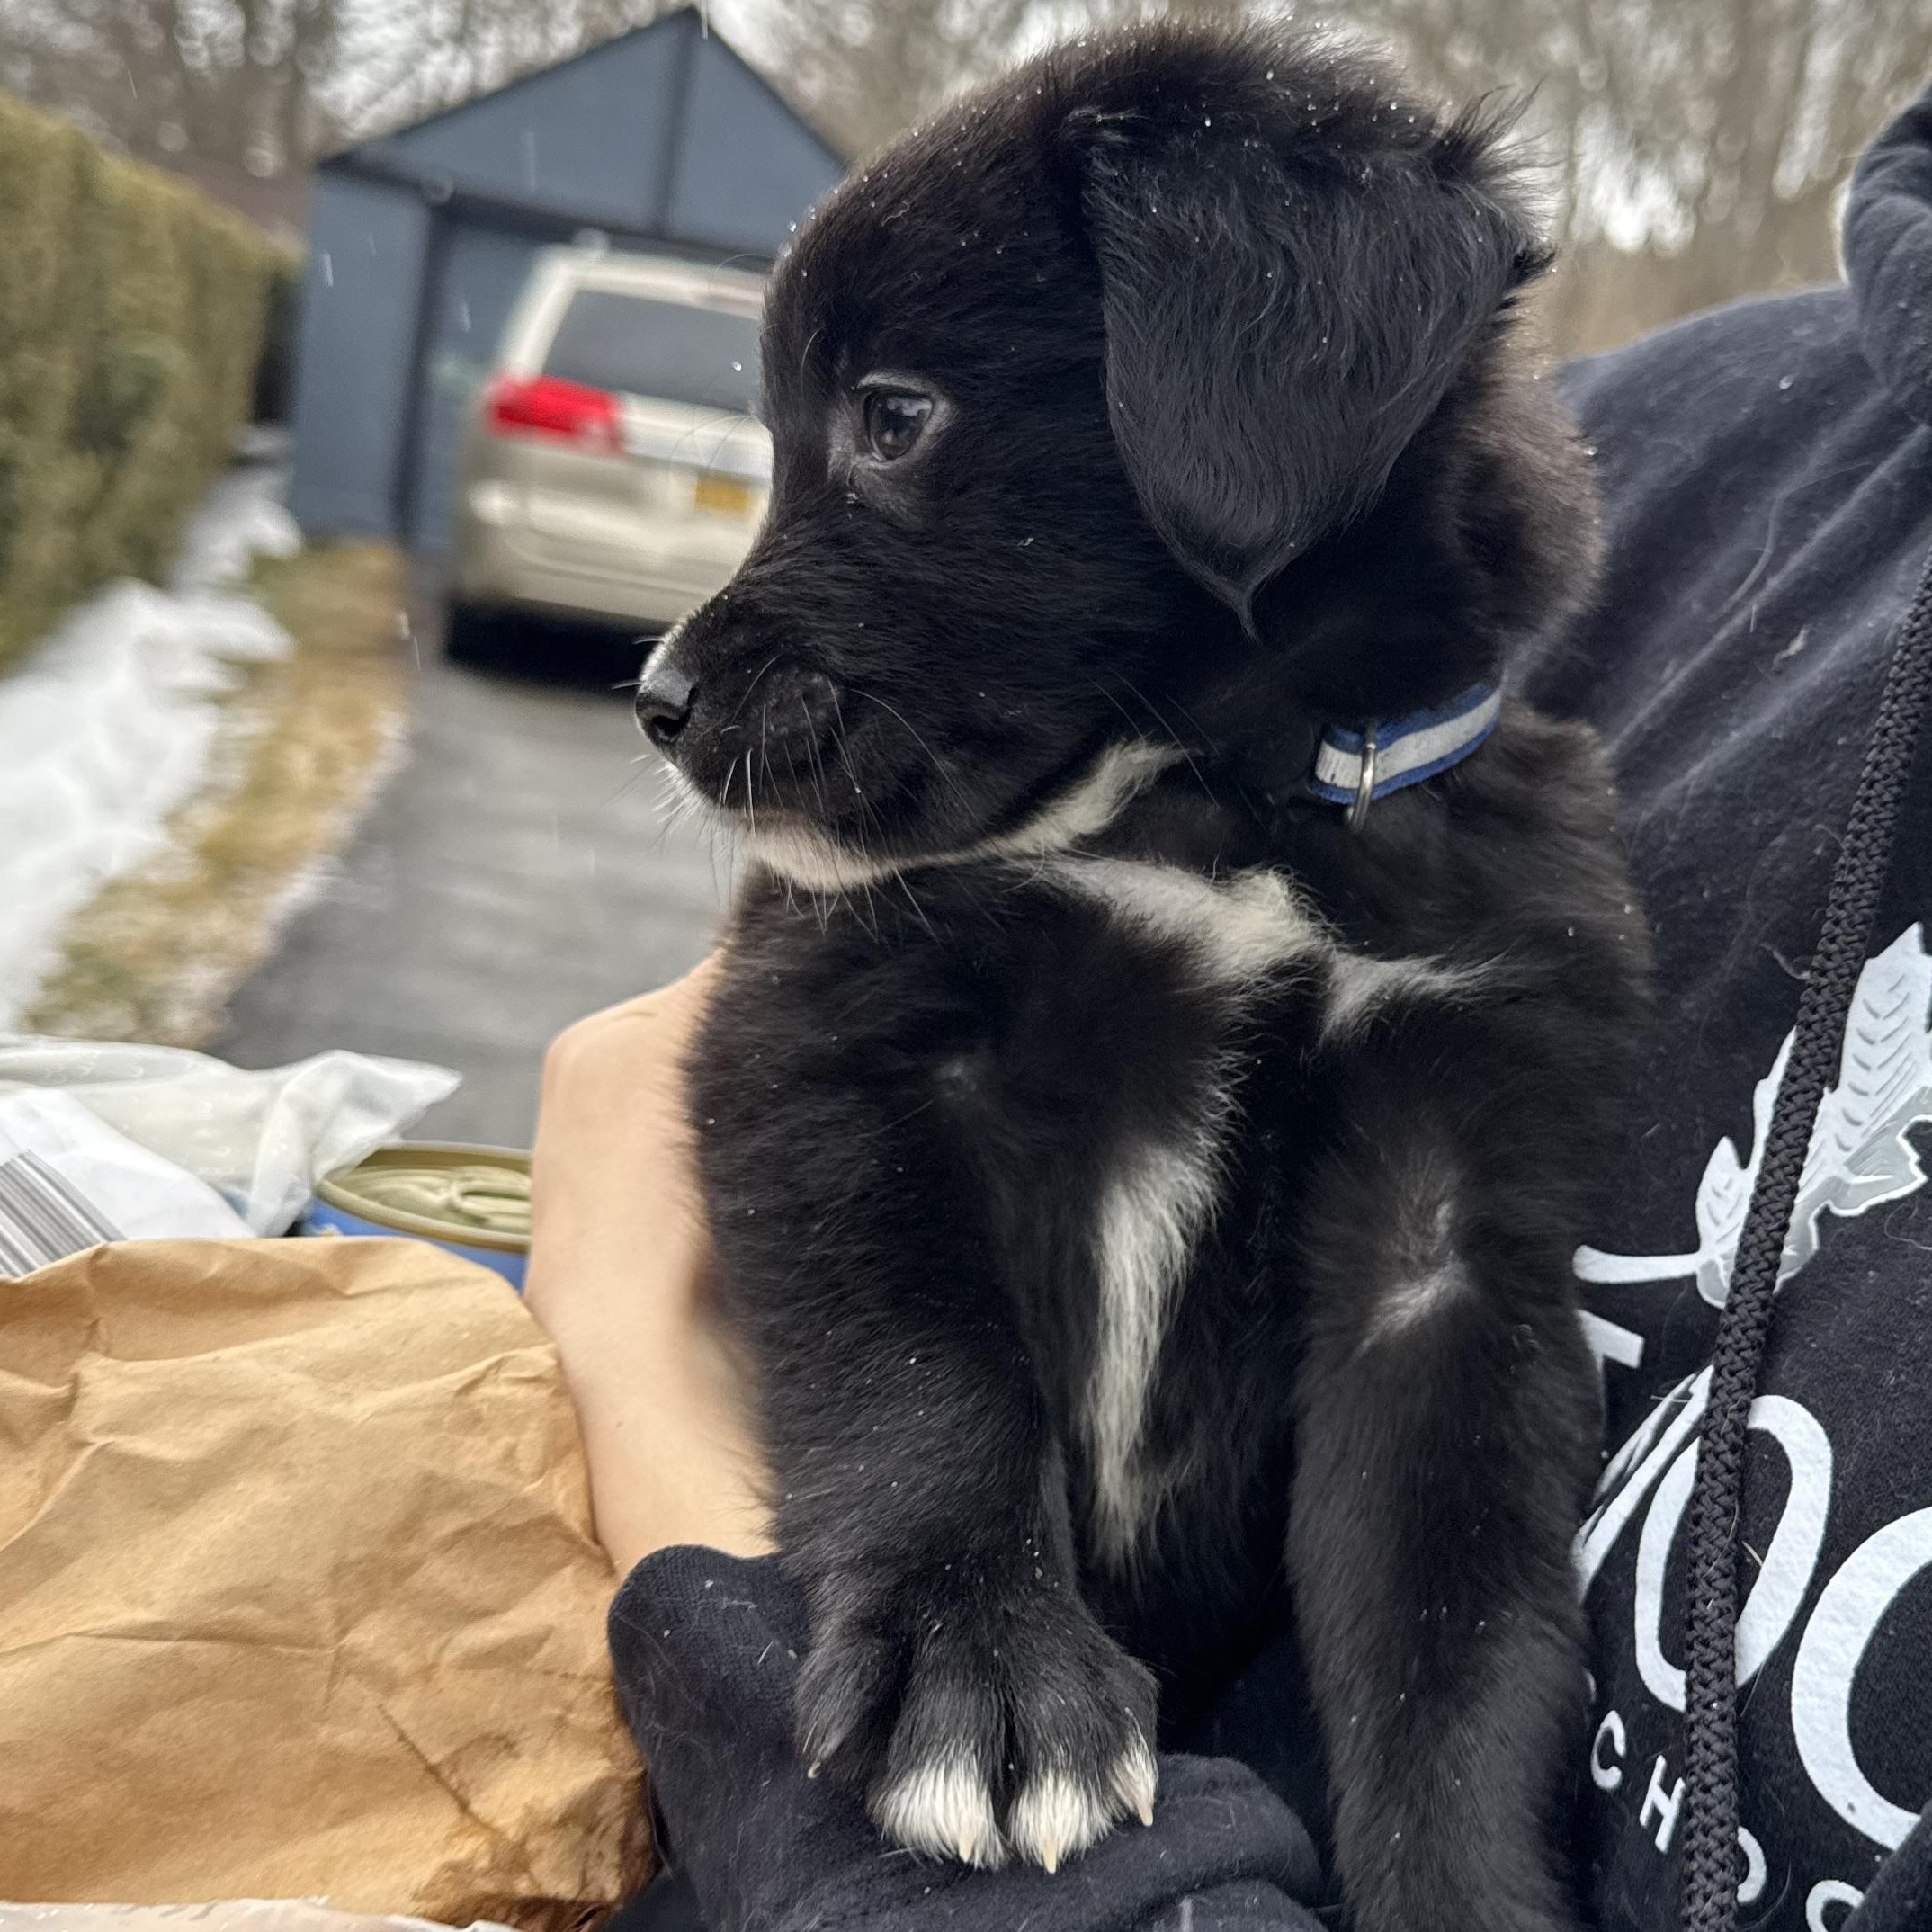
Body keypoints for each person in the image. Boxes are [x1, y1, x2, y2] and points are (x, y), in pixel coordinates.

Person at [522, 77, 1932, 1932]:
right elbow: (800, 1128)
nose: (700, 648)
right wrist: (936, 1554)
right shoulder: (1732, 439)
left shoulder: (1499, 874)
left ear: (1266, 359)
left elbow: (1441, 1375)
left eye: (887, 425)